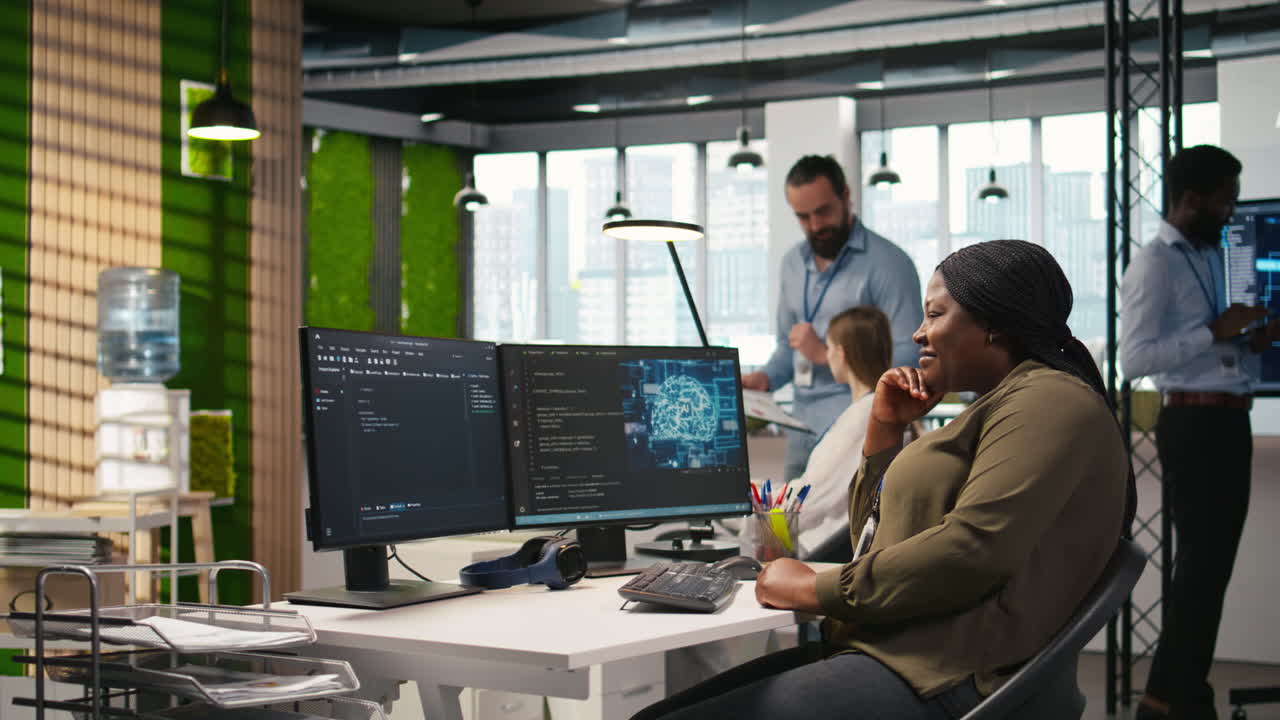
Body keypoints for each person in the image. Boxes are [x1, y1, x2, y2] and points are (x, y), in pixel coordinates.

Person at [633, 240, 1134, 720]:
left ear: (995, 326)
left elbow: (971, 550)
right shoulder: (998, 404)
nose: (918, 333)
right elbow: (871, 539)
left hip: (945, 674)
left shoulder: (1048, 400)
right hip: (897, 652)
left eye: (935, 314)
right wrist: (884, 430)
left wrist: (817, 590)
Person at [1119, 145, 1280, 720]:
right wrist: (1214, 332)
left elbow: (1211, 337)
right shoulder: (1154, 263)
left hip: (1226, 417)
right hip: (1192, 422)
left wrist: (1245, 338)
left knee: (1210, 571)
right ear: (1190, 200)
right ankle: (1168, 699)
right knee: (1200, 569)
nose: (1232, 211)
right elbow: (1134, 358)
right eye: (1224, 201)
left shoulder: (1209, 254)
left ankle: (1179, 693)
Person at [742, 155, 921, 484]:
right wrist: (765, 379)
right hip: (801, 428)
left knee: (848, 534)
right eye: (802, 217)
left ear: (846, 196)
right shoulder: (792, 264)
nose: (814, 225)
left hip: (859, 429)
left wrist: (826, 356)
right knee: (791, 529)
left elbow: (909, 359)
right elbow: (788, 345)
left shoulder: (890, 265)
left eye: (822, 211)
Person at [792, 305, 892, 558]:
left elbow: (813, 499)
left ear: (841, 353)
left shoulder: (863, 418)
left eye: (828, 347)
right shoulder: (878, 410)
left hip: (824, 551)